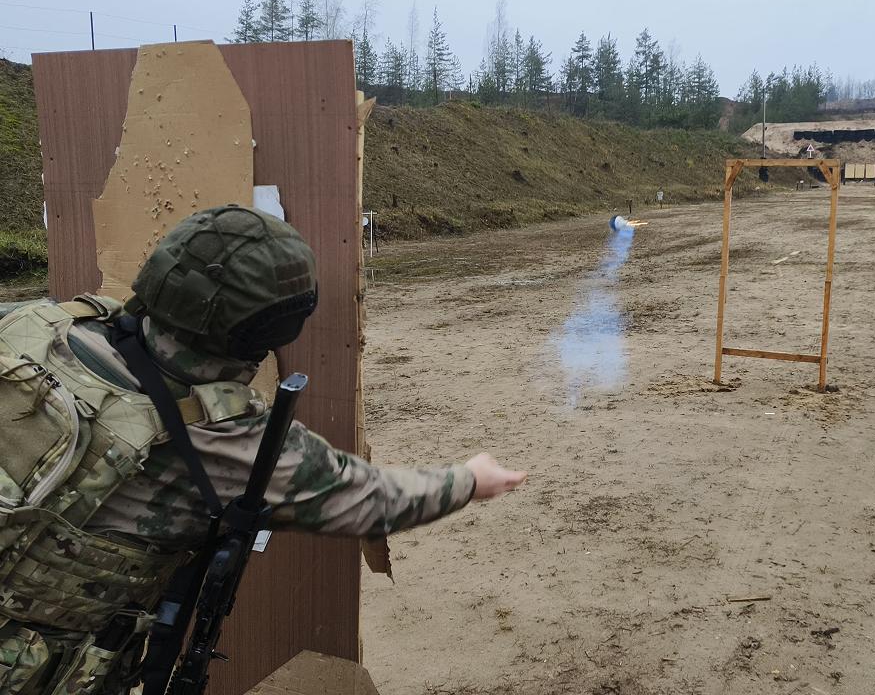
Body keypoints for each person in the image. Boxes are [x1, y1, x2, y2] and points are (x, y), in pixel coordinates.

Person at [0, 205, 526, 694]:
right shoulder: (225, 438)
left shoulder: (24, 325)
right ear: (272, 328)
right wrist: (471, 479)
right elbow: (372, 499)